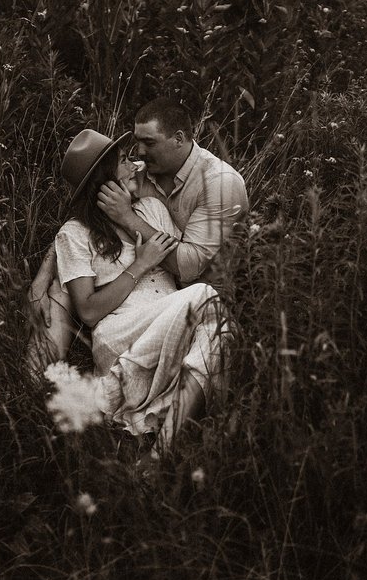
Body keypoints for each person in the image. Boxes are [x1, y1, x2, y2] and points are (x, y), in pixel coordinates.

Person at [27, 97, 249, 368]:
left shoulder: (218, 183)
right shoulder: (140, 176)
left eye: (149, 143)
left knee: (209, 317)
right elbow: (76, 229)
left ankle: (124, 395)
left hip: (198, 287)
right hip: (140, 308)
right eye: (135, 144)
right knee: (59, 285)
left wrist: (126, 217)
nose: (138, 155)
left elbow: (189, 267)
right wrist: (42, 275)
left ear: (178, 139)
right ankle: (43, 376)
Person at [50, 128, 231, 456]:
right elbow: (88, 311)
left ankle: (159, 456)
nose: (135, 165)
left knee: (214, 330)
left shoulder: (150, 209)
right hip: (120, 331)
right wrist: (140, 265)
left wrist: (127, 217)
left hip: (170, 314)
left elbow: (186, 267)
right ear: (104, 182)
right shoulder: (74, 234)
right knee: (207, 301)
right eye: (123, 161)